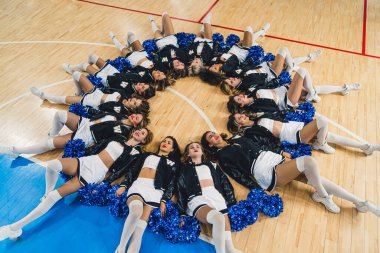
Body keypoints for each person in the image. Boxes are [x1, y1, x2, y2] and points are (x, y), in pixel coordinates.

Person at [0, 128, 153, 241]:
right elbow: (97, 145)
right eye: (140, 129)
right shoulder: (118, 137)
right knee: (53, 164)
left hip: (95, 172)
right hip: (89, 160)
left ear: (144, 140)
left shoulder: (136, 154)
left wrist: (105, 183)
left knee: (55, 196)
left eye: (143, 133)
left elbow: (122, 171)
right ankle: (46, 193)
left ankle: (14, 228)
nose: (139, 132)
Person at [200, 131, 380, 216]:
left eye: (213, 133)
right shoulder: (222, 156)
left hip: (273, 159)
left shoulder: (237, 137)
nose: (214, 136)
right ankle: (324, 197)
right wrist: (257, 189)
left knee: (318, 179)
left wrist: (279, 153)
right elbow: (237, 175)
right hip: (265, 171)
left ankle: (360, 202)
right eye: (209, 138)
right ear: (209, 145)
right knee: (308, 162)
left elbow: (261, 146)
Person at [114, 136, 181, 253]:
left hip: (155, 192)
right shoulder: (146, 155)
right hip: (139, 185)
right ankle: (121, 247)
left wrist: (164, 200)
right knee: (135, 212)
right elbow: (133, 170)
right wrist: (124, 185)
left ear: (172, 149)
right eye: (164, 141)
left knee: (139, 231)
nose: (165, 143)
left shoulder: (174, 164)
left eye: (169, 143)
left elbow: (172, 184)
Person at [177, 142, 241, 253]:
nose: (195, 148)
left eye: (198, 147)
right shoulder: (184, 169)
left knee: (227, 233)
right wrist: (182, 212)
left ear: (202, 152)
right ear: (188, 154)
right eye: (191, 148)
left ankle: (230, 249)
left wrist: (231, 201)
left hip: (216, 196)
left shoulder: (212, 165)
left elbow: (225, 183)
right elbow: (180, 189)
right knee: (218, 218)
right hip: (197, 198)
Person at [0, 110, 148, 157]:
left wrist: (88, 149)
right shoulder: (118, 116)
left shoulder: (124, 133)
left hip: (87, 137)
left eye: (138, 119)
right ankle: (52, 134)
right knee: (59, 114)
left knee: (50, 144)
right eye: (136, 114)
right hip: (84, 123)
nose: (135, 116)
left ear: (136, 125)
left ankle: (15, 151)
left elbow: (107, 144)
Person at [228, 113, 380, 155]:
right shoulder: (250, 132)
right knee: (322, 121)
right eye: (239, 118)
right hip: (293, 136)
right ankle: (320, 144)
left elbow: (279, 117)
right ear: (239, 125)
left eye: (241, 114)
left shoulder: (259, 117)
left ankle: (366, 147)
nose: (243, 116)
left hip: (297, 126)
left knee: (330, 136)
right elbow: (266, 142)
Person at [30, 71, 151, 115]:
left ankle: (43, 95)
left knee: (63, 99)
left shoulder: (121, 111)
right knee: (77, 74)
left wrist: (113, 102)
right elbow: (111, 89)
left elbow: (102, 109)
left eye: (134, 103)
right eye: (135, 100)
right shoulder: (127, 95)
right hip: (96, 92)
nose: (133, 100)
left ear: (133, 110)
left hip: (92, 102)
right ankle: (78, 92)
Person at [198, 23, 270, 85]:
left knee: (251, 37)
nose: (213, 65)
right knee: (248, 29)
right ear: (219, 73)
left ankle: (262, 31)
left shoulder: (214, 62)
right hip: (243, 52)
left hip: (234, 48)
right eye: (215, 68)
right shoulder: (229, 70)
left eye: (212, 66)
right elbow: (239, 64)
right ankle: (262, 31)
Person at [62, 55, 156, 99]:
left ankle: (70, 69)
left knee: (84, 65)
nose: (142, 84)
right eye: (144, 84)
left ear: (140, 93)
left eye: (142, 87)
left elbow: (112, 90)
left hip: (106, 79)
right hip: (114, 72)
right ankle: (86, 70)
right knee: (92, 57)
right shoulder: (138, 80)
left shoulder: (128, 93)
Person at [109, 30, 174, 90]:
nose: (159, 72)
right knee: (131, 34)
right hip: (143, 53)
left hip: (133, 58)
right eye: (162, 74)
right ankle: (128, 45)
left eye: (158, 75)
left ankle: (113, 38)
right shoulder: (161, 68)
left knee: (122, 48)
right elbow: (160, 59)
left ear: (155, 80)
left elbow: (134, 72)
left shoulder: (145, 78)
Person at [149, 13, 190, 79]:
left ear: (173, 68)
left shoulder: (164, 67)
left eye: (177, 65)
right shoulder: (184, 59)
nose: (179, 62)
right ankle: (162, 31)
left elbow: (155, 61)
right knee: (165, 15)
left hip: (161, 43)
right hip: (172, 40)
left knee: (156, 30)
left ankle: (152, 21)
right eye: (181, 64)